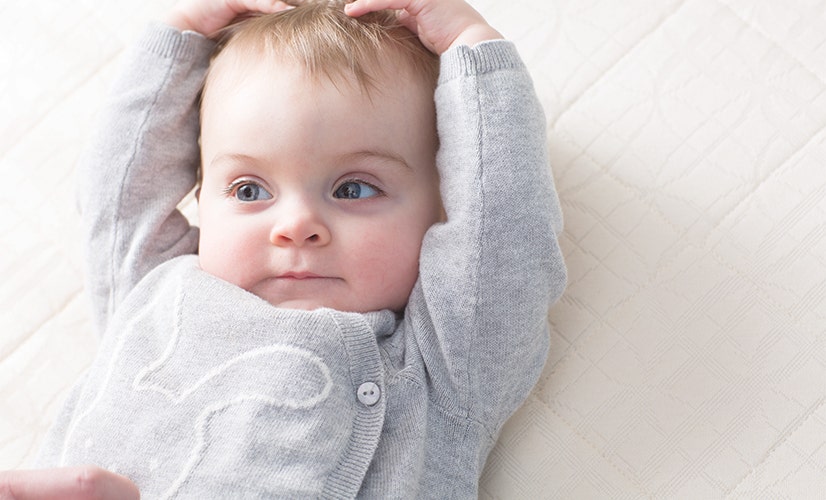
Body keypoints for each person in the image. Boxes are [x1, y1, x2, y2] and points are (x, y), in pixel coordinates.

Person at [1, 0, 566, 497]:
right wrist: (183, 33)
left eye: (355, 188)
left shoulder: (441, 363)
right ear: (201, 198)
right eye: (249, 190)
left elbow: (508, 225)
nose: (296, 226)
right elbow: (117, 193)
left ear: (442, 210)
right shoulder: (152, 298)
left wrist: (474, 47)